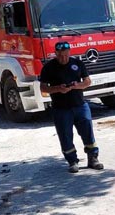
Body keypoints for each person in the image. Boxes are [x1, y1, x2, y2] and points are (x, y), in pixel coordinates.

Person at [39, 41, 103, 173]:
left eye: (66, 55)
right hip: (61, 108)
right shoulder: (49, 67)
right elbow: (43, 88)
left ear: (69, 53)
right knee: (65, 135)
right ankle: (72, 161)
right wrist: (58, 89)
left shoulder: (77, 63)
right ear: (56, 53)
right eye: (61, 56)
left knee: (88, 133)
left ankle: (93, 158)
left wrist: (76, 86)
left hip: (80, 105)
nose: (64, 58)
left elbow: (87, 82)